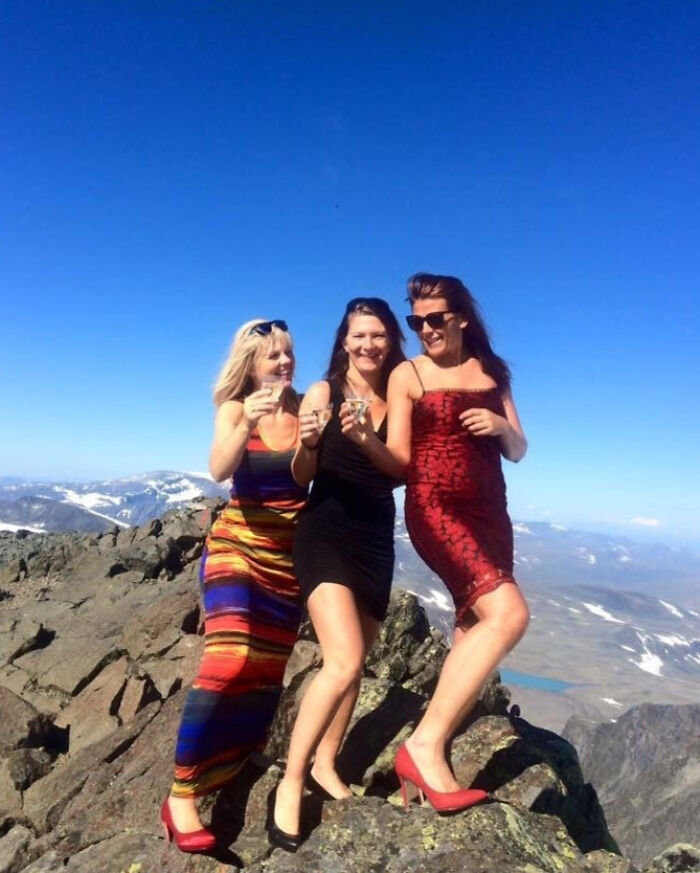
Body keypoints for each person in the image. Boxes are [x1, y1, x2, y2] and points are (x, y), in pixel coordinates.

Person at [351, 273, 529, 813]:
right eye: (416, 321)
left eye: (435, 319)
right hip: (436, 507)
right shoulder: (408, 375)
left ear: (462, 319)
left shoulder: (492, 372)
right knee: (509, 615)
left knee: (473, 624)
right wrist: (361, 438)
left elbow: (519, 449)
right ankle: (423, 747)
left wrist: (499, 423)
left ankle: (435, 759)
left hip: (490, 513)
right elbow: (402, 463)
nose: (425, 329)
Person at [161, 318, 308, 853]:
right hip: (239, 545)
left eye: (289, 353)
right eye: (274, 356)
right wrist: (246, 420)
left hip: (287, 560)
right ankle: (181, 793)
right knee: (228, 660)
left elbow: (312, 476)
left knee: (265, 673)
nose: (285, 362)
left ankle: (225, 770)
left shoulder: (303, 408)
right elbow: (220, 468)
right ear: (250, 365)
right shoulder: (234, 408)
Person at [270, 298, 406, 850]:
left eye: (377, 335)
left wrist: (365, 439)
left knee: (357, 663)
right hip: (325, 530)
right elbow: (302, 476)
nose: (368, 345)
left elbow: (401, 469)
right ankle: (292, 780)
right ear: (344, 342)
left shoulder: (398, 396)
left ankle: (327, 762)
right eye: (358, 336)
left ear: (390, 340)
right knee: (343, 658)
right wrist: (308, 442)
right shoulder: (323, 392)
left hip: (374, 537)